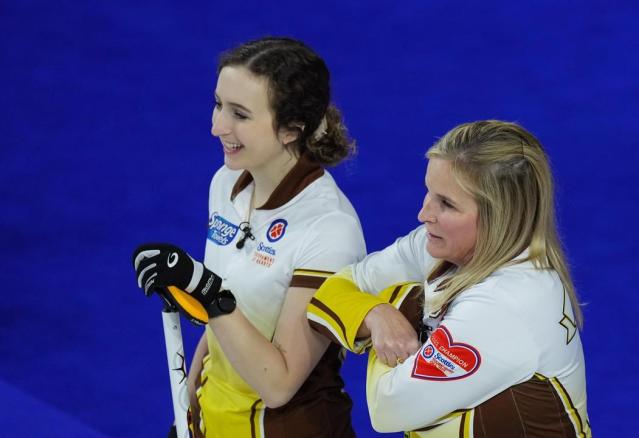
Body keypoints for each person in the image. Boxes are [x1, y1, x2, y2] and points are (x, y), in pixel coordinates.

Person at [132, 37, 366, 437]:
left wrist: (206, 292)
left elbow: (279, 383)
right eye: (219, 104)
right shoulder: (226, 184)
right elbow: (220, 328)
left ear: (292, 129)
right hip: (217, 422)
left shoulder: (329, 228)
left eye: (240, 114)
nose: (217, 126)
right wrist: (188, 412)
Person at [308, 120, 590, 437]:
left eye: (447, 204)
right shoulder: (434, 247)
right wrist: (377, 316)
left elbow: (388, 408)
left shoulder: (507, 303)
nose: (424, 213)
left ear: (499, 216)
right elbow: (329, 293)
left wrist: (397, 303)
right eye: (429, 192)